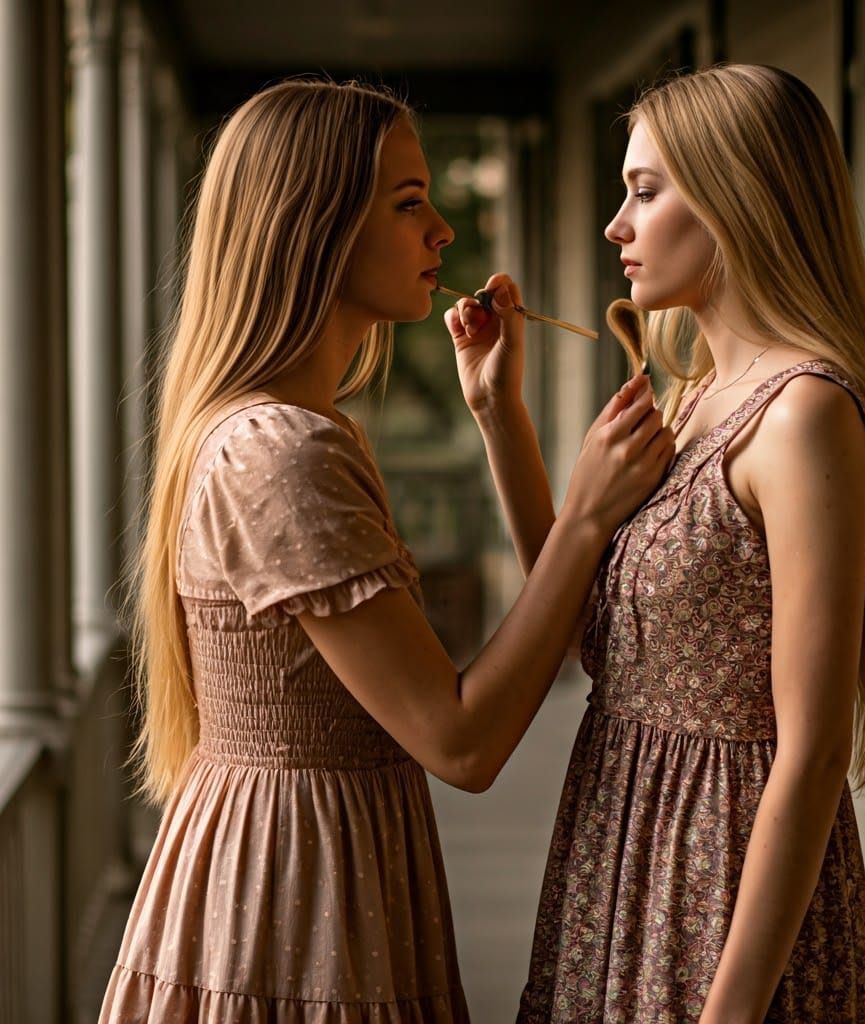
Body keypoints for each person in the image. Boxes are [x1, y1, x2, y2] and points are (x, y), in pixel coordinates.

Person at [98, 79, 675, 1023]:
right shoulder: (282, 452)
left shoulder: (295, 432)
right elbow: (461, 740)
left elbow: (548, 655)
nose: (444, 233)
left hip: (313, 874)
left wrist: (498, 416)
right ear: (311, 229)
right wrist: (583, 518)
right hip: (291, 907)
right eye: (411, 205)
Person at [447, 65, 865, 1023]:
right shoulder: (696, 395)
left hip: (720, 876)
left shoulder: (802, 417)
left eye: (643, 191)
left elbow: (813, 752)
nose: (614, 227)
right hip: (618, 849)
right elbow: (604, 639)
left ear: (737, 198)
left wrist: (731, 1011)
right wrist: (499, 417)